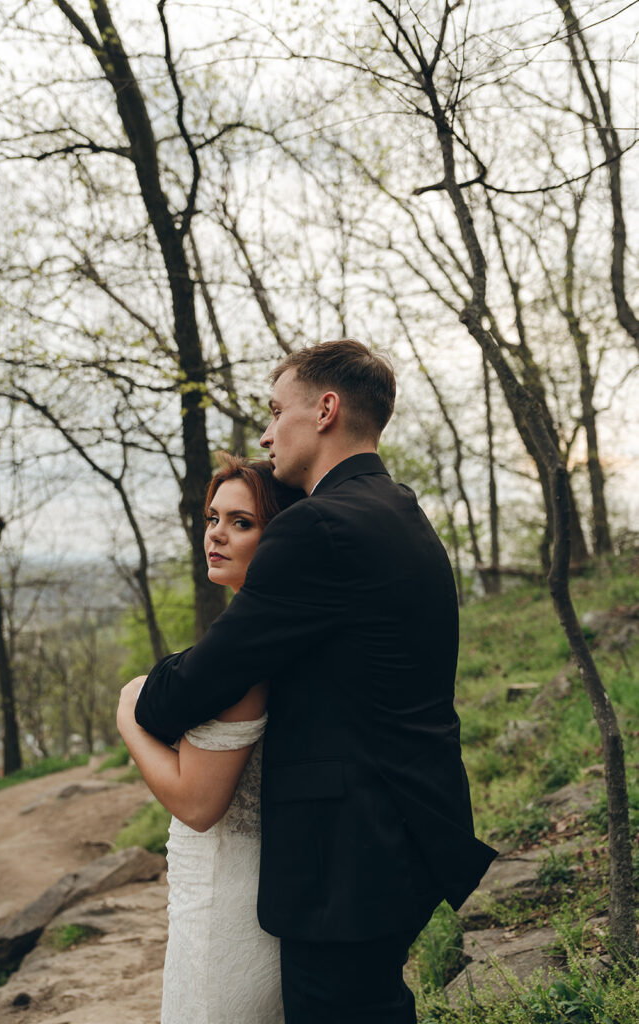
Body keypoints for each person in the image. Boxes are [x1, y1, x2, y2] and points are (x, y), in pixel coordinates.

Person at [131, 339, 497, 1023]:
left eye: (276, 411)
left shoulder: (316, 528)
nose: (267, 433)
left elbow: (191, 687)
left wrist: (133, 697)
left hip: (344, 858)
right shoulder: (400, 510)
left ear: (324, 409)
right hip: (408, 829)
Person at [117, 454, 301, 1024]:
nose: (217, 534)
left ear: (278, 537)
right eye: (213, 518)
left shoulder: (243, 659)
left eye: (242, 522)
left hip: (224, 896)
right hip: (233, 886)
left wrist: (128, 712)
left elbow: (198, 804)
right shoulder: (276, 629)